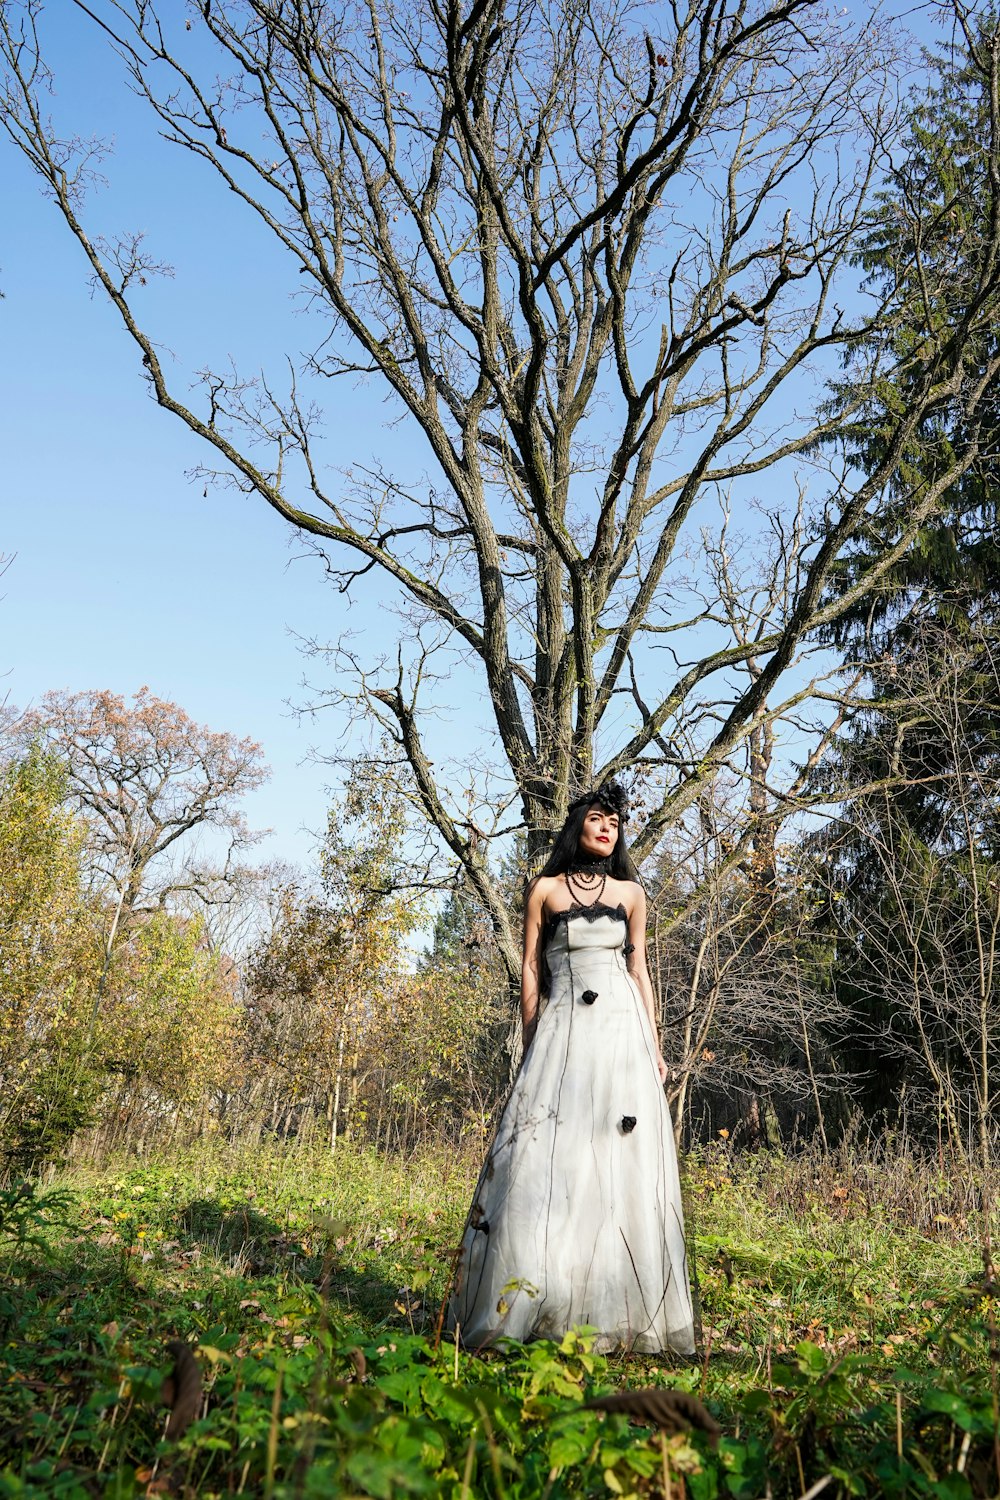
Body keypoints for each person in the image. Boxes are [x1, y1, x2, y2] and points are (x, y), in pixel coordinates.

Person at [449, 782, 695, 1355]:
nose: (608, 828)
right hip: (563, 1029)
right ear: (577, 823)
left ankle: (619, 1307)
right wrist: (532, 1028)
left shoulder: (633, 894)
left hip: (620, 1033)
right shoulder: (544, 890)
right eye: (599, 818)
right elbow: (532, 965)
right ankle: (534, 1297)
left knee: (617, 1157)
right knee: (548, 1156)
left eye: (616, 821)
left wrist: (655, 1047)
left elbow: (641, 973)